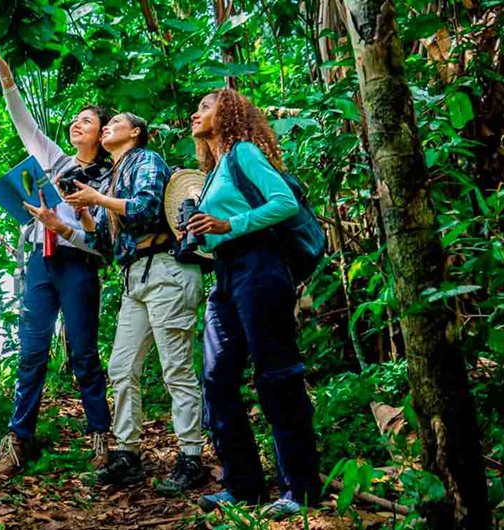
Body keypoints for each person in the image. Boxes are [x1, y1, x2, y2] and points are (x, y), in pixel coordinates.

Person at [0, 32, 112, 477]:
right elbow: (25, 126)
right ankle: (18, 440)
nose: (78, 124)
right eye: (75, 119)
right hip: (39, 262)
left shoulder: (109, 181)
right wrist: (6, 77)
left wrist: (65, 227)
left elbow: (102, 242)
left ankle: (101, 437)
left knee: (85, 355)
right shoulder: (55, 159)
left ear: (103, 135)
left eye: (88, 122)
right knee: (31, 351)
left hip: (77, 265)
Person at [186, 88, 322, 519]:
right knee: (216, 376)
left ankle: (300, 488)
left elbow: (282, 202)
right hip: (226, 274)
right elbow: (216, 232)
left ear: (227, 113)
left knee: (276, 373)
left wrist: (230, 222)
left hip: (260, 266)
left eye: (206, 106)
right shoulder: (212, 170)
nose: (196, 112)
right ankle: (243, 486)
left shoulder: (243, 152)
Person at [65, 113, 205, 495]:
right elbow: (106, 248)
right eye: (104, 124)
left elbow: (144, 208)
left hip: (165, 270)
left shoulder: (146, 161)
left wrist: (98, 199)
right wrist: (75, 218)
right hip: (134, 279)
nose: (106, 127)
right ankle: (127, 454)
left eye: (115, 123)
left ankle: (191, 456)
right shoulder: (113, 175)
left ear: (135, 132)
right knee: (122, 368)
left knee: (176, 368)